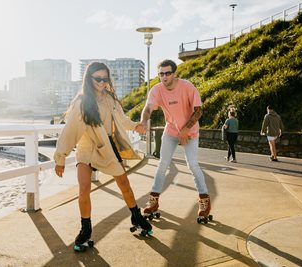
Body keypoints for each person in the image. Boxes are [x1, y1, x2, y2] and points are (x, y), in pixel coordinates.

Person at [54, 62, 152, 252]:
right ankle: (86, 229)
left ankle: (136, 216)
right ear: (89, 79)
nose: (101, 82)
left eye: (105, 78)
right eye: (97, 78)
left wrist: (136, 126)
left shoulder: (111, 99)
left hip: (107, 145)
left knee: (124, 183)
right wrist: (60, 158)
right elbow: (69, 131)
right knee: (84, 188)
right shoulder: (82, 102)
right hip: (86, 145)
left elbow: (122, 121)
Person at [139, 59, 211, 223]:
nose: (164, 77)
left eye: (167, 73)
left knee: (192, 164)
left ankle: (204, 201)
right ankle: (153, 200)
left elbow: (198, 111)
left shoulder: (187, 86)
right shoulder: (157, 89)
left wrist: (185, 129)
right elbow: (148, 107)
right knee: (163, 163)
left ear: (174, 73)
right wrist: (144, 121)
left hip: (190, 131)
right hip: (171, 130)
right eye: (161, 74)